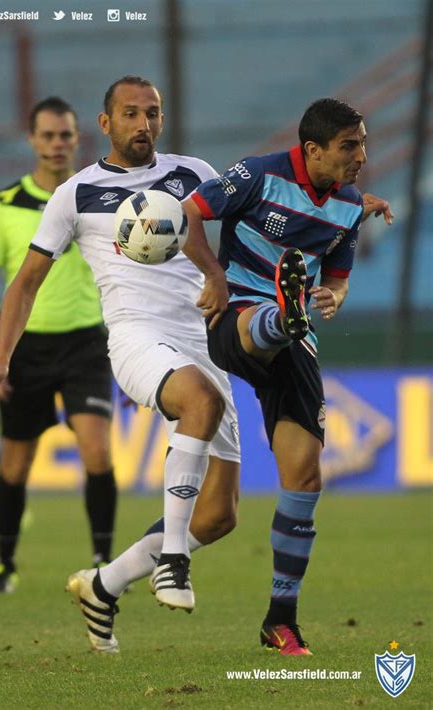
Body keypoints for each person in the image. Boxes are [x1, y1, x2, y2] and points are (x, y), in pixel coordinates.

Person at [0, 77, 241, 652]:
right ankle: (171, 559)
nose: (142, 124)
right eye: (130, 114)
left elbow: (248, 214)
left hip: (202, 341)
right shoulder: (76, 193)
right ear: (106, 123)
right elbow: (24, 285)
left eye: (152, 113)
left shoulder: (192, 173)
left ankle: (104, 584)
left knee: (219, 515)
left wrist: (344, 209)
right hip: (135, 337)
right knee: (201, 401)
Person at [182, 97, 393, 655]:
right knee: (261, 323)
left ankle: (280, 620)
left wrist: (334, 294)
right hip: (235, 315)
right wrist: (212, 275)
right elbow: (190, 212)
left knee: (304, 479)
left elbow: (342, 278)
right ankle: (282, 311)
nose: (362, 156)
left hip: (299, 335)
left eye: (364, 144)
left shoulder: (349, 206)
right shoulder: (257, 174)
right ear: (313, 149)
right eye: (350, 146)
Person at [0, 97, 118, 593]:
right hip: (25, 349)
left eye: (66, 135)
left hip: (87, 343)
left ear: (79, 139)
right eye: (48, 135)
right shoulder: (4, 205)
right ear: (32, 140)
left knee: (97, 450)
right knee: (15, 463)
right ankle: (5, 564)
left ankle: (103, 561)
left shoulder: (98, 195)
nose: (57, 144)